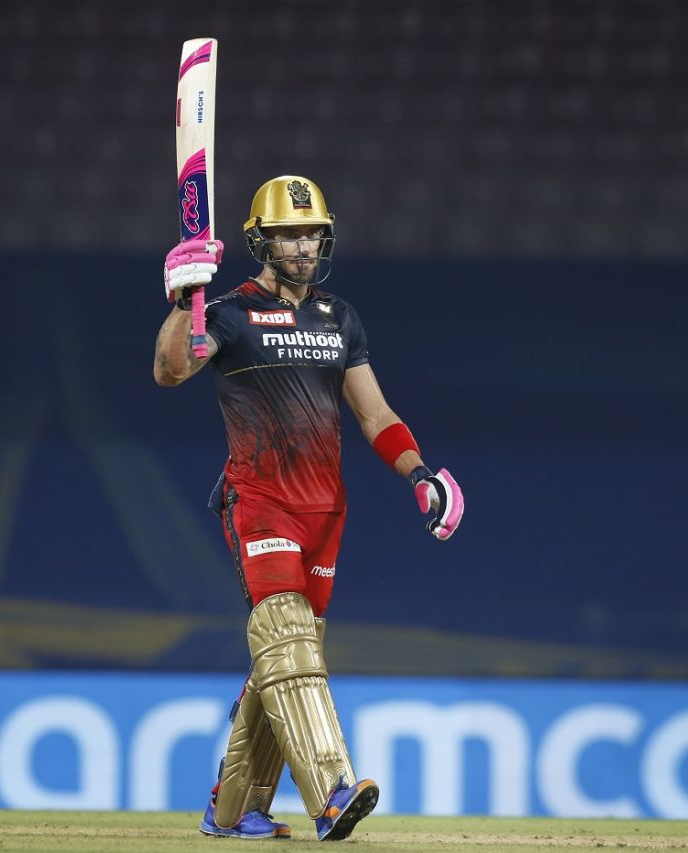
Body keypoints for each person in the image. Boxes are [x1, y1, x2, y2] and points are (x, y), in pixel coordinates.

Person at [155, 176, 464, 841]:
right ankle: (332, 792)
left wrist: (419, 474)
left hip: (325, 511)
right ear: (261, 241)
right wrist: (184, 302)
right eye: (289, 234)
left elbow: (375, 413)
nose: (302, 245)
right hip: (260, 502)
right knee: (288, 637)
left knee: (284, 657)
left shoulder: (338, 317)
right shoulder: (229, 313)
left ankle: (231, 811)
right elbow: (171, 369)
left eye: (312, 234)